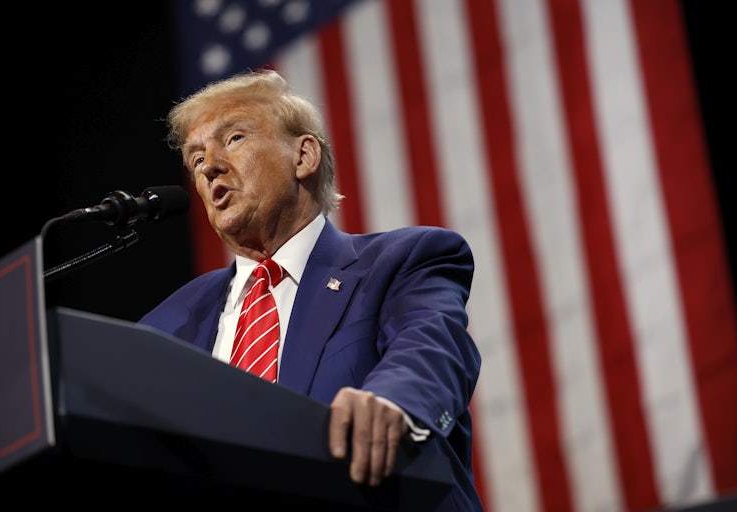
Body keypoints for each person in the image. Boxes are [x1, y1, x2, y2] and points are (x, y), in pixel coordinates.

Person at [138, 68, 483, 511]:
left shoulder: (401, 261)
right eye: (196, 158)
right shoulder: (165, 326)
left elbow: (432, 345)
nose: (210, 167)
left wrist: (393, 403)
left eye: (235, 138)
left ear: (303, 156)